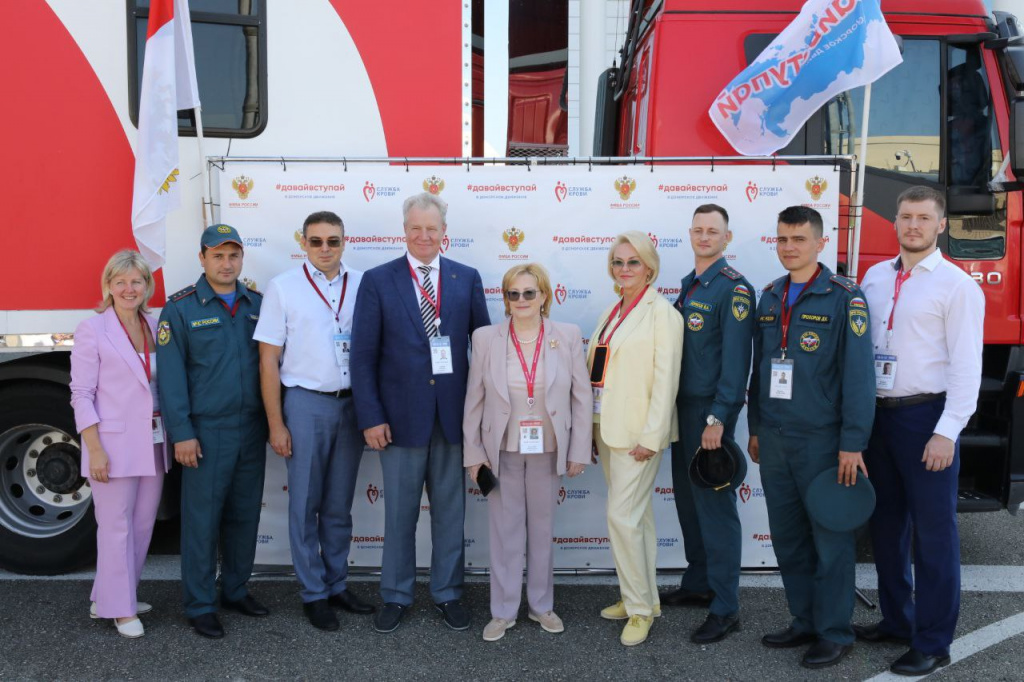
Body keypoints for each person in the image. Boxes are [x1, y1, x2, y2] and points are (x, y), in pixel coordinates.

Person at [857, 186, 984, 676]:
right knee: (886, 526)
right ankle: (896, 620)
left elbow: (966, 370)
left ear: (940, 225)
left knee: (934, 535)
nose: (913, 225)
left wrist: (947, 431)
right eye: (906, 217)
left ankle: (933, 641)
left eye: (923, 218)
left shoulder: (956, 286)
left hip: (925, 418)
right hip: (878, 417)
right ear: (896, 221)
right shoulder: (873, 276)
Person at [351, 192, 489, 634]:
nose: (424, 236)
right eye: (416, 228)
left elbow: (483, 351)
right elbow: (363, 355)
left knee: (451, 515)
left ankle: (448, 593)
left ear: (444, 232)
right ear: (404, 231)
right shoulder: (378, 280)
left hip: (452, 422)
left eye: (432, 228)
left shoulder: (466, 278)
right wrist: (370, 417)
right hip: (398, 421)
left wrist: (482, 420)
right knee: (400, 517)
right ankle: (395, 594)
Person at [747, 206, 875, 669]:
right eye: (782, 239)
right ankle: (803, 620)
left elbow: (859, 378)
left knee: (831, 540)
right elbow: (761, 371)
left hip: (824, 443)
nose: (788, 247)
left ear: (821, 243)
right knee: (788, 538)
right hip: (776, 440)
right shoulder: (770, 296)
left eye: (799, 239)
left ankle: (835, 631)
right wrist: (756, 427)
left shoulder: (845, 297)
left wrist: (853, 442)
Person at [254, 211, 373, 631]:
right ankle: (313, 593)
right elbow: (268, 360)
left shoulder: (363, 284)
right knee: (305, 504)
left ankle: (337, 584)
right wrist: (276, 424)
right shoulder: (283, 287)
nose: (325, 249)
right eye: (317, 241)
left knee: (339, 506)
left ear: (345, 242)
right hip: (304, 404)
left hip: (352, 405)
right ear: (303, 243)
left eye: (333, 241)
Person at [463, 263, 592, 642]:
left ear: (544, 297)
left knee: (541, 529)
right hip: (500, 449)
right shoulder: (486, 337)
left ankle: (541, 606)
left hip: (548, 448)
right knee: (505, 533)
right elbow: (475, 399)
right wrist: (473, 454)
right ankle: (502, 611)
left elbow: (581, 397)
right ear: (505, 299)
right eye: (512, 294)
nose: (521, 300)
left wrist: (579, 448)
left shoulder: (567, 335)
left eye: (528, 293)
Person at [157, 224, 268, 639]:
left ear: (241, 259)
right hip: (205, 433)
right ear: (202, 258)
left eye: (233, 255)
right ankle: (200, 604)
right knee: (202, 522)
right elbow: (170, 379)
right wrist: (182, 433)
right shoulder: (181, 310)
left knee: (243, 516)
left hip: (251, 429)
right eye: (217, 255)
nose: (226, 263)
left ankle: (235, 590)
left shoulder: (257, 304)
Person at [588, 231, 684, 647]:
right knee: (638, 519)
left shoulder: (661, 313)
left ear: (650, 266)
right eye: (617, 262)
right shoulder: (614, 310)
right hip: (608, 429)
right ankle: (645, 599)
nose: (624, 269)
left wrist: (653, 434)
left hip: (638, 435)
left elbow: (666, 381)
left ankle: (640, 610)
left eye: (632, 262)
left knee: (622, 518)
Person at [663, 204, 753, 644]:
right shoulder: (689, 285)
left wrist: (719, 418)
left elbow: (736, 366)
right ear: (690, 233)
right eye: (697, 229)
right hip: (682, 410)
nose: (704, 236)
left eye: (712, 231)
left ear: (726, 238)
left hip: (709, 414)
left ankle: (726, 607)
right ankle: (698, 584)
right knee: (687, 502)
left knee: (716, 512)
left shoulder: (733, 290)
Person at [70, 250, 171, 639]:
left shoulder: (155, 322)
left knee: (143, 524)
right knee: (115, 527)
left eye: (137, 282)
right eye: (121, 282)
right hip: (111, 444)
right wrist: (94, 448)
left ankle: (113, 594)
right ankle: (121, 609)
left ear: (147, 286)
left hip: (154, 440)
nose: (129, 289)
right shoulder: (92, 329)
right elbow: (81, 393)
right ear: (108, 286)